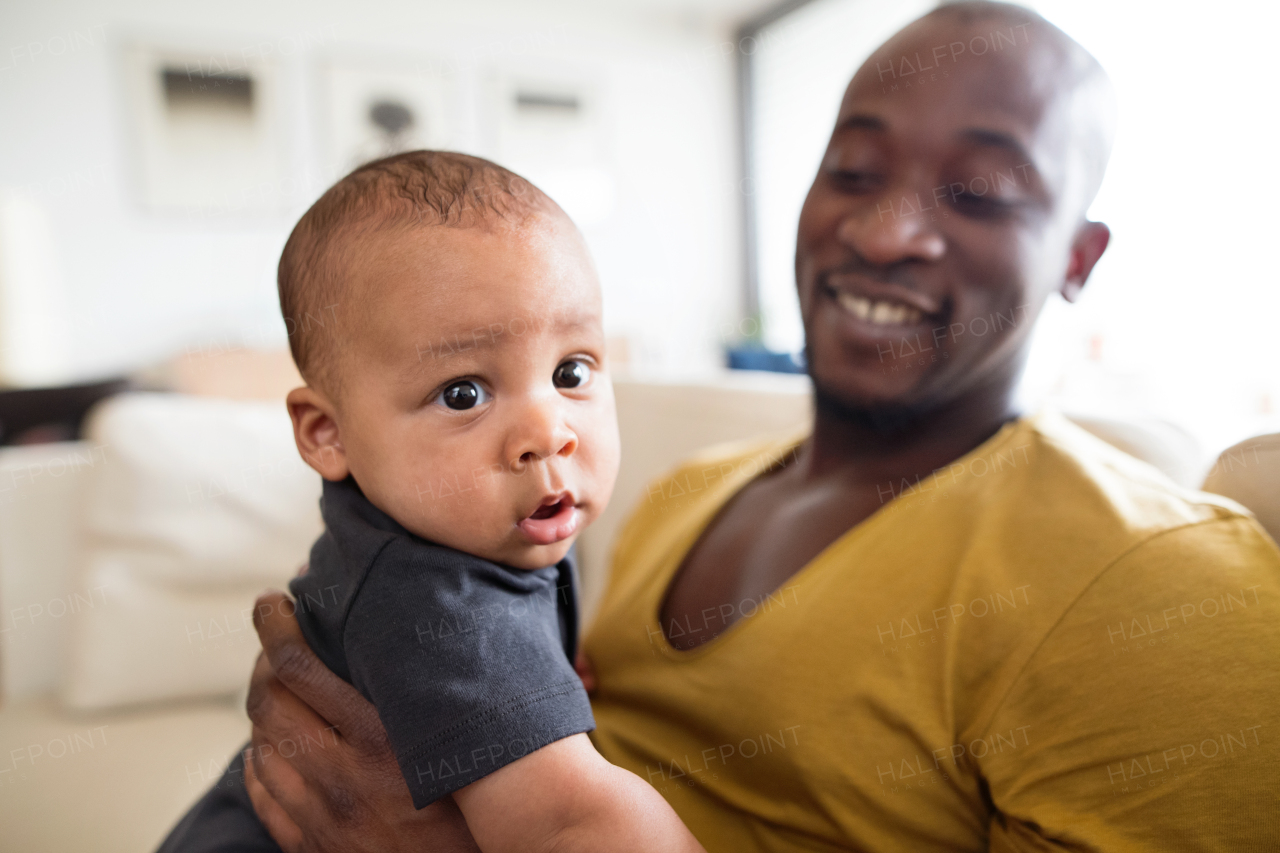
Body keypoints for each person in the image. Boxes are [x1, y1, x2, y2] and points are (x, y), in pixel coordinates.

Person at [237, 3, 1280, 850]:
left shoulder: (1157, 583)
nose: (883, 230)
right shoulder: (683, 490)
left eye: (978, 191)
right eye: (854, 172)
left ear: (1076, 258)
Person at [156, 151, 704, 853]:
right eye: (463, 393)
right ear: (328, 433)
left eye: (571, 371)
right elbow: (573, 821)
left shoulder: (449, 535)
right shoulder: (436, 601)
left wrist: (541, 660)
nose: (549, 433)